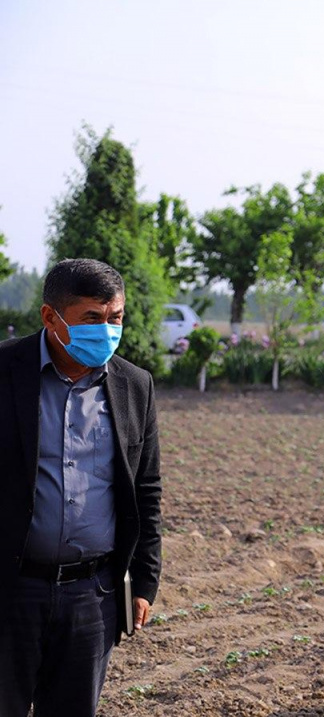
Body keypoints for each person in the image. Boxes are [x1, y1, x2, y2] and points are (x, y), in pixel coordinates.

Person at [0, 258, 163, 717]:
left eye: (116, 318)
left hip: (92, 596)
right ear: (50, 317)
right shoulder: (5, 371)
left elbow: (146, 489)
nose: (107, 330)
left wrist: (145, 579)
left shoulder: (135, 386)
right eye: (92, 318)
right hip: (12, 590)